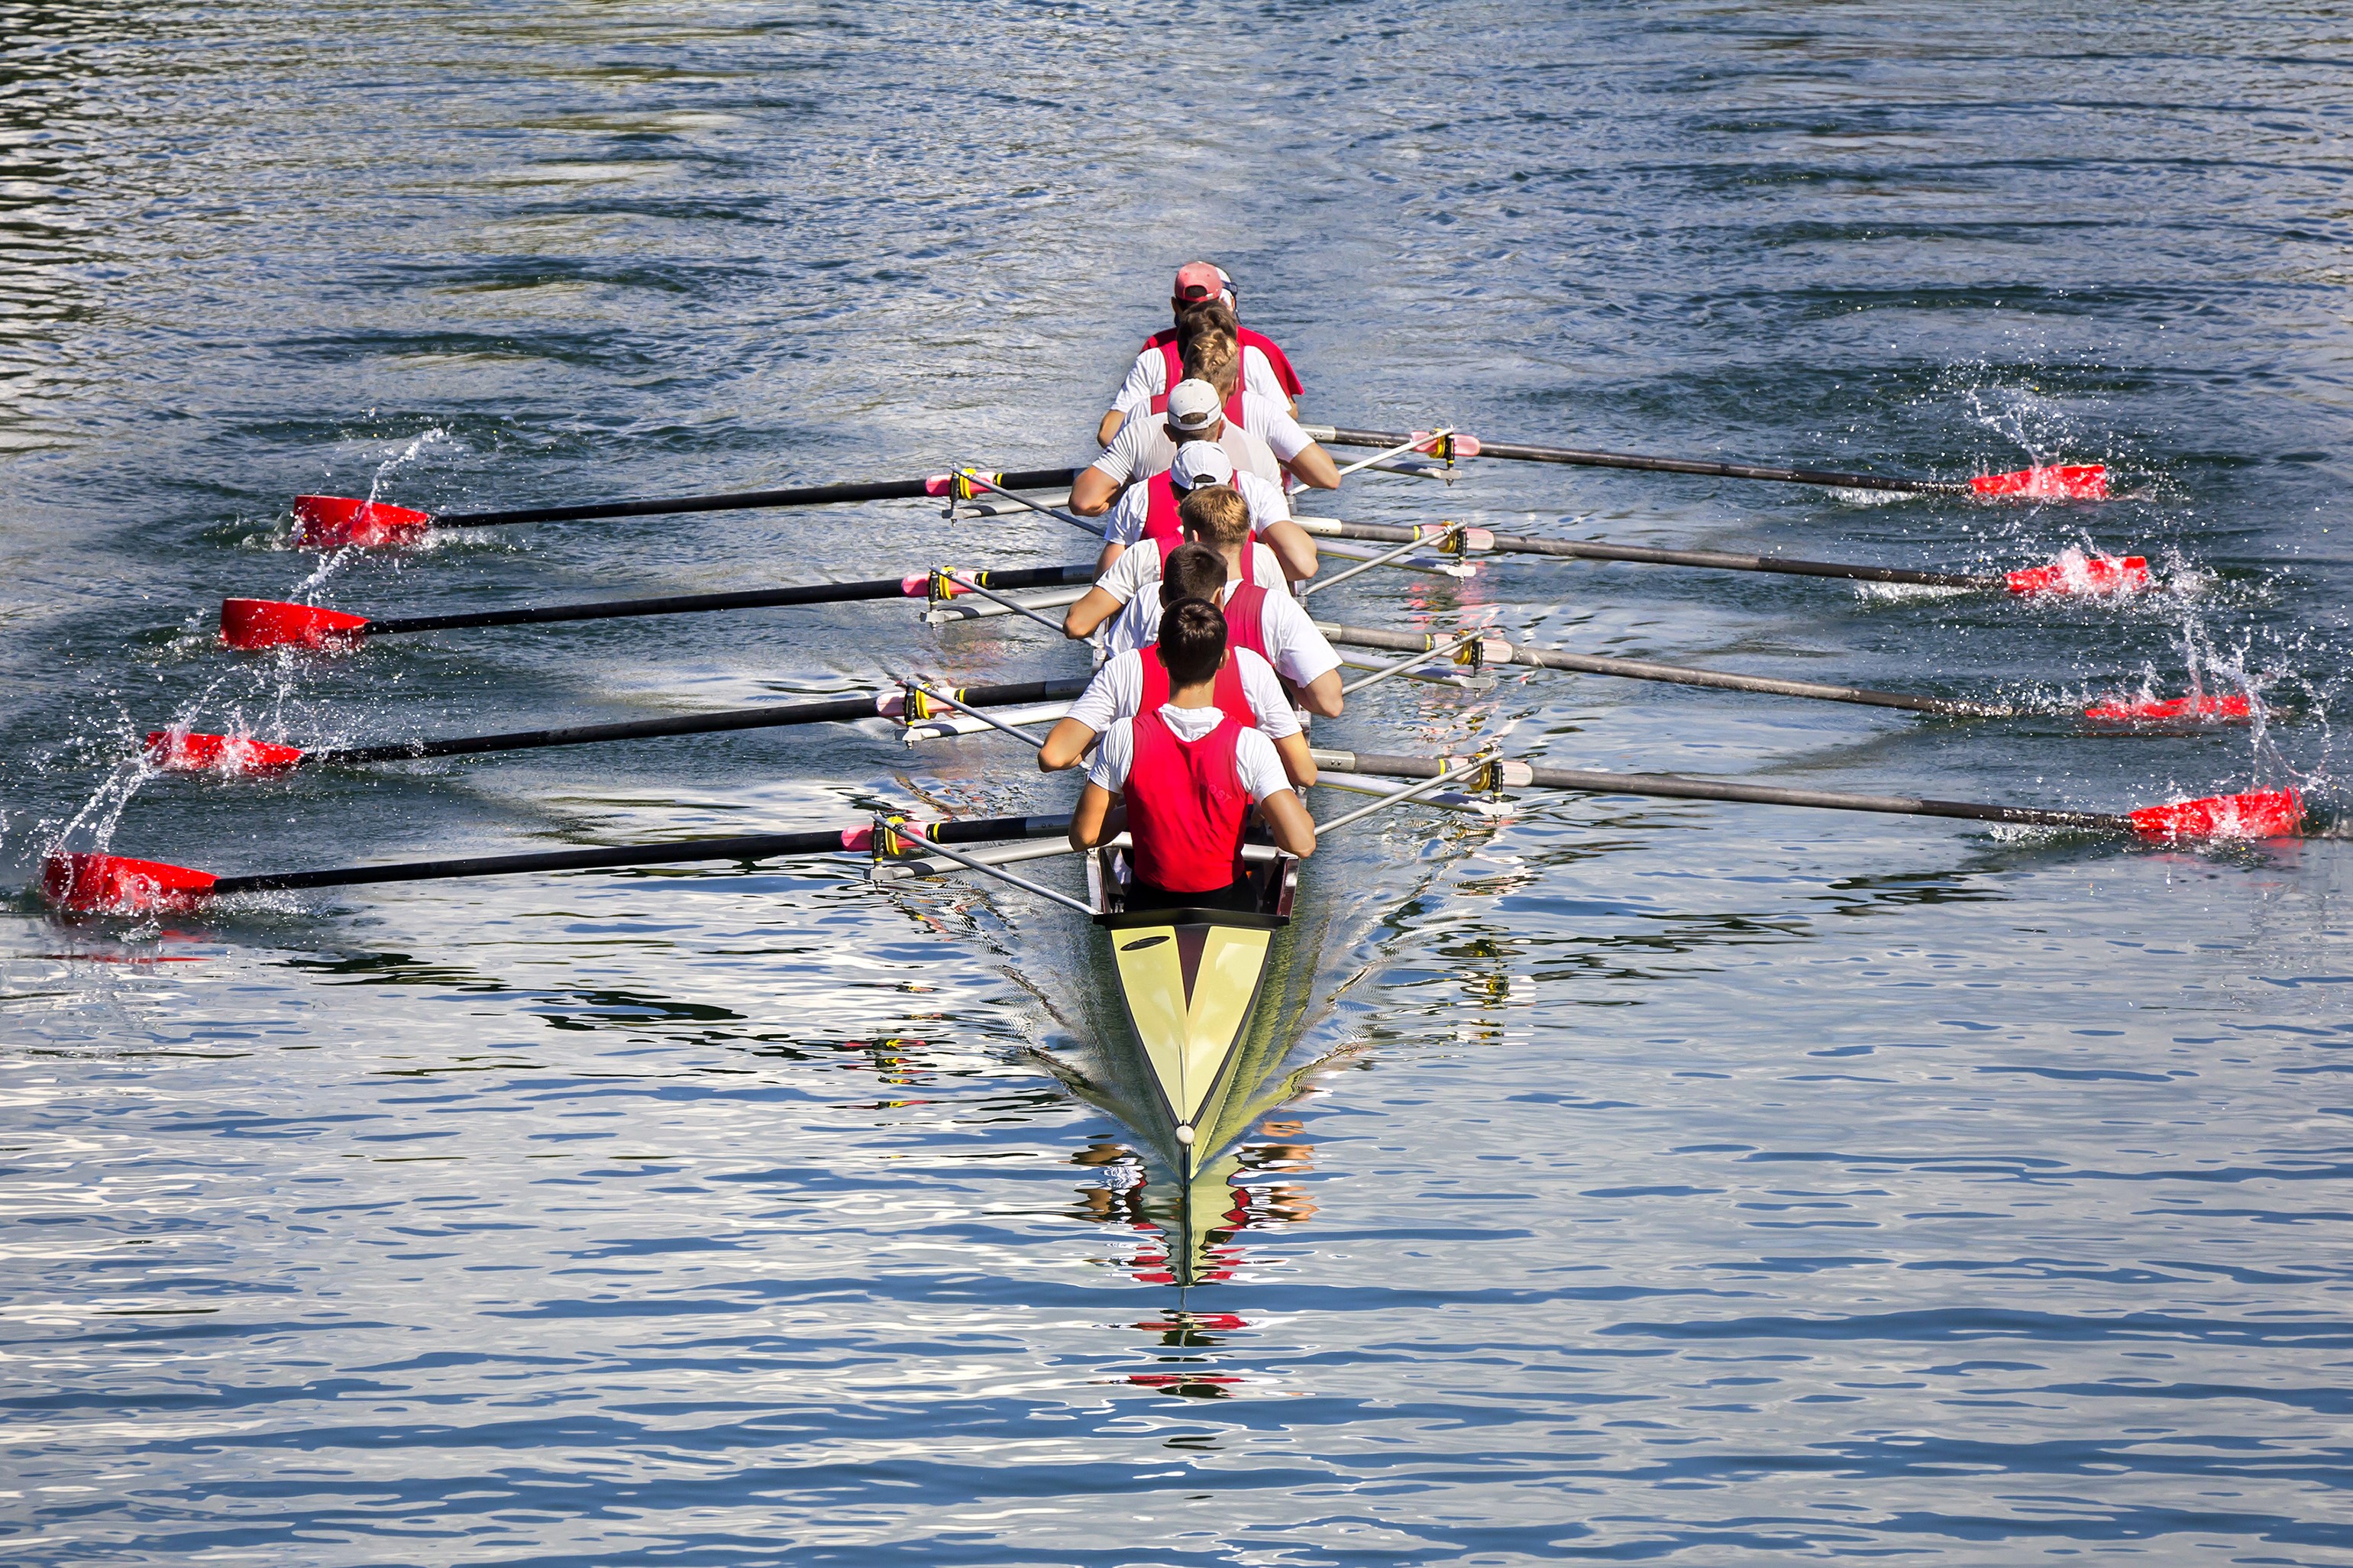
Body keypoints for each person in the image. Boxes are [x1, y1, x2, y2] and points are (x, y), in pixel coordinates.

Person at [1067, 596, 1317, 912]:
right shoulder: (1251, 744)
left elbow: (1083, 837)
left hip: (1147, 907)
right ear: (1224, 660)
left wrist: (1135, 810)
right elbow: (1302, 843)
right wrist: (1268, 811)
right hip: (1229, 907)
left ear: (1160, 659)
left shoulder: (1123, 735)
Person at [1040, 542, 1317, 789]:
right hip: (1236, 834)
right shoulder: (1252, 667)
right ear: (1220, 598)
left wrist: (1103, 747)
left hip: (1145, 832)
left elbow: (1053, 756)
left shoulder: (1125, 668)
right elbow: (1304, 774)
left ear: (1161, 597)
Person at [1072, 484, 1346, 719]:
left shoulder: (1150, 598)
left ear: (1192, 538)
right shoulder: (1276, 608)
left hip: (1160, 760)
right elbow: (1329, 703)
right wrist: (1279, 672)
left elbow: (1110, 684)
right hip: (1245, 766)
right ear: (1246, 533)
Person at [1096, 263, 1304, 447]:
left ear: (1175, 306)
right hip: (1243, 486)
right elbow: (1288, 415)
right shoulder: (1255, 352)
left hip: (1174, 482)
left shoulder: (1154, 354)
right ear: (1221, 302)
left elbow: (1107, 434)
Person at [1093, 440, 1314, 579]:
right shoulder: (1262, 560)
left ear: (1173, 491)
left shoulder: (1144, 555)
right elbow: (1304, 567)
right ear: (1231, 485)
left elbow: (1101, 588)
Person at [1072, 379, 1284, 521]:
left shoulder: (1140, 496)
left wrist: (1128, 488)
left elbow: (1083, 503)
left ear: (1168, 432)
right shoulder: (1254, 486)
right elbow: (1301, 562)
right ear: (1220, 428)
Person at [1183, 322, 1340, 493]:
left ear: (1182, 374)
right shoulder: (1261, 410)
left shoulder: (1150, 409)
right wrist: (1282, 457)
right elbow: (1329, 477)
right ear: (1235, 383)